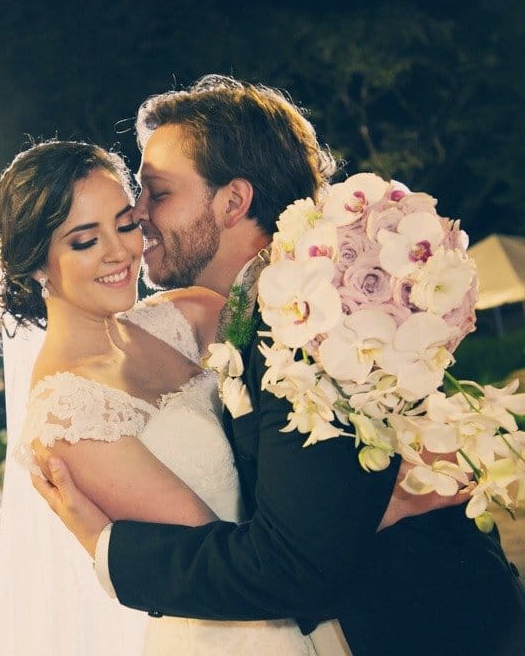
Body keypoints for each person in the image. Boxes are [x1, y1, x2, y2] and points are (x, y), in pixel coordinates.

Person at [31, 75, 525, 655]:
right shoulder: (264, 306)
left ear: (233, 201)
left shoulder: (305, 322)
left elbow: (290, 564)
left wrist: (106, 547)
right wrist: (376, 506)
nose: (137, 217)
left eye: (157, 193)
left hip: (424, 627)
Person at [0, 139, 316, 654]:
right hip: (237, 632)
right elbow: (220, 562)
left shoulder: (186, 318)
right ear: (37, 264)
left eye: (123, 224)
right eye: (84, 241)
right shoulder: (69, 416)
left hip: (301, 588)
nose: (120, 252)